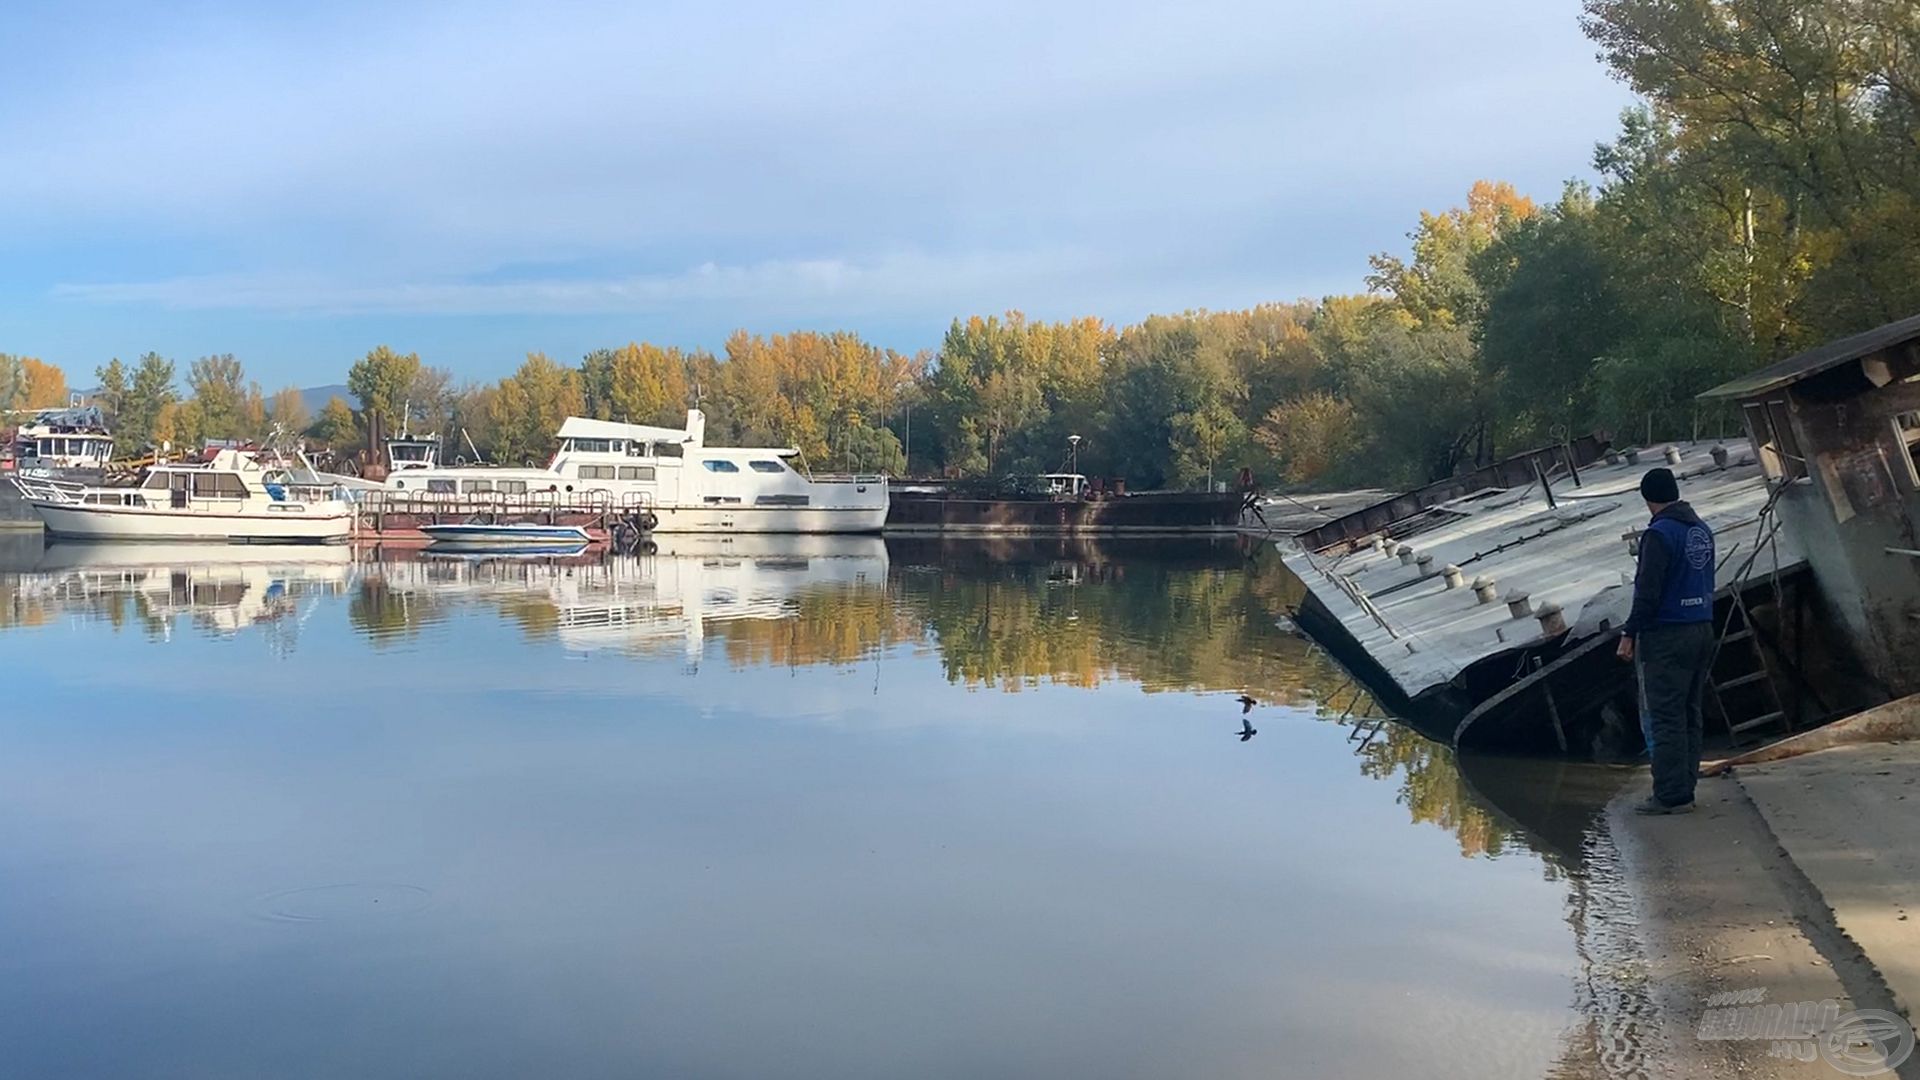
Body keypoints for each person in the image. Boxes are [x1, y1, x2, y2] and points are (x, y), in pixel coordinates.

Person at [1616, 467, 1717, 814]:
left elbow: (1648, 592)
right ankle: (1685, 786)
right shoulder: (1700, 530)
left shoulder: (1659, 535)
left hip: (1668, 635)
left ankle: (1671, 796)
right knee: (1690, 711)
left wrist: (1629, 633)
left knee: (1666, 715)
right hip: (1702, 627)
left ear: (1648, 500)